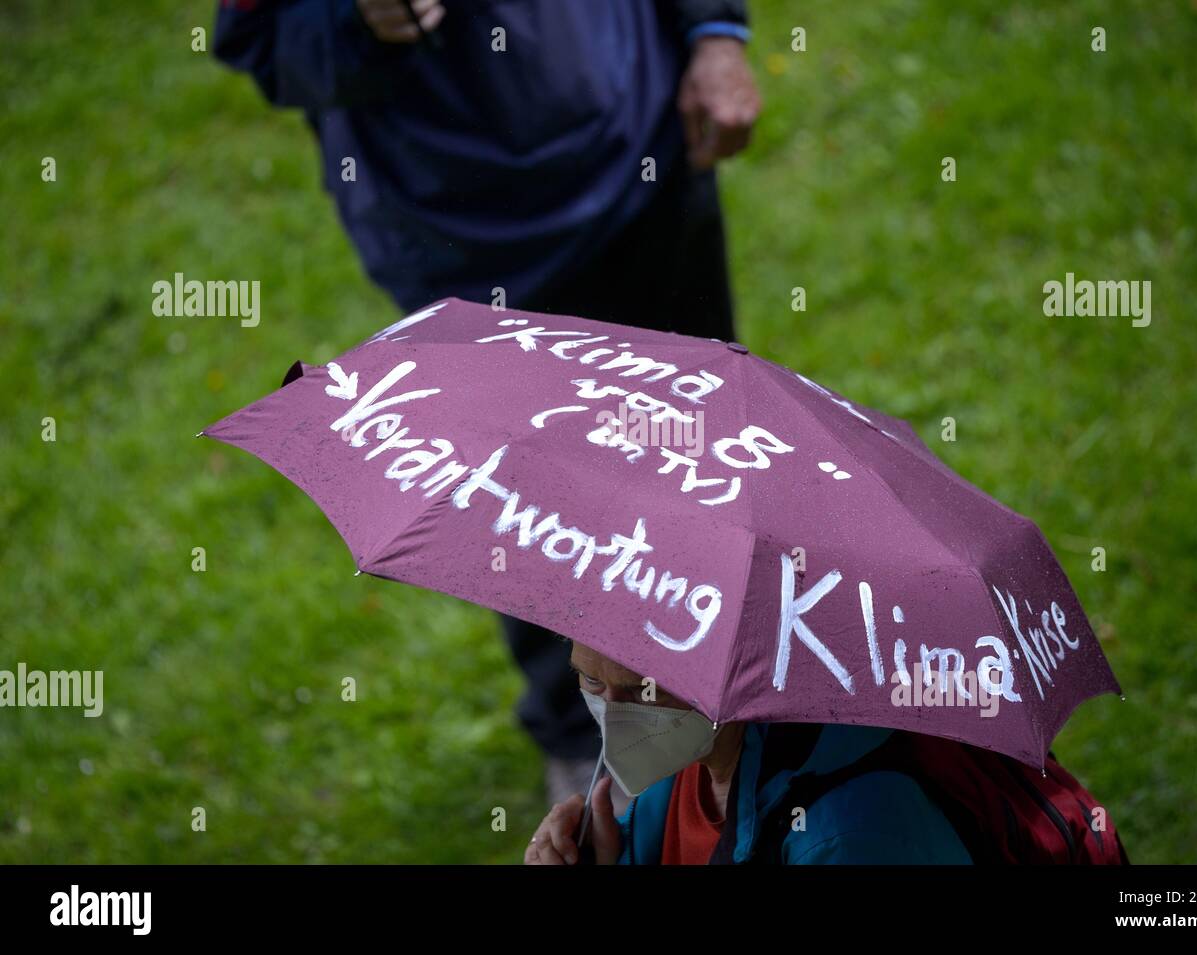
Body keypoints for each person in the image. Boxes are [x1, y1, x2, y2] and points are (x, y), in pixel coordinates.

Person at [212, 0, 762, 807]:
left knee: (707, 459)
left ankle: (746, 693)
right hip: (460, 239)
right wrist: (356, 25)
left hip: (648, 158)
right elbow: (265, 43)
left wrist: (714, 32)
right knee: (534, 511)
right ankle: (589, 738)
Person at [525, 640, 975, 865]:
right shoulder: (689, 758)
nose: (617, 717)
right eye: (591, 681)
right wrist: (610, 856)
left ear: (730, 671)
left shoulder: (844, 839)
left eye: (646, 691)